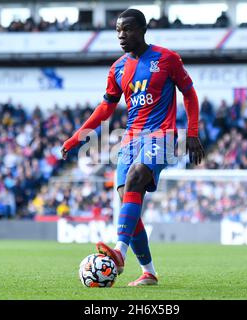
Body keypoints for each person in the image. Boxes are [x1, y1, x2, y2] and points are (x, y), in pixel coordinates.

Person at [61, 8, 205, 286]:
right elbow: (105, 108)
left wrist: (193, 132)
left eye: (127, 29)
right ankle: (148, 271)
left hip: (162, 135)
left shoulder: (167, 59)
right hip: (130, 138)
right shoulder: (117, 68)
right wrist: (76, 137)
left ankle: (119, 252)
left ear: (142, 29)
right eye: (117, 31)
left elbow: (189, 93)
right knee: (128, 198)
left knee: (137, 176)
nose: (121, 36)